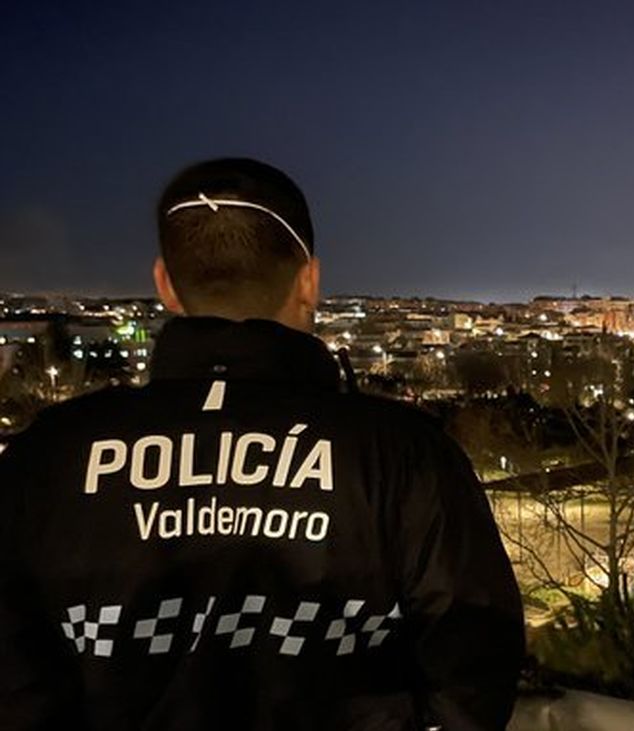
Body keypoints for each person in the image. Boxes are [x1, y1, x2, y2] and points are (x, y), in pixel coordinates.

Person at [0, 158, 524, 730]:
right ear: (309, 281)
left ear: (165, 284)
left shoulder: (47, 458)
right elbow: (474, 657)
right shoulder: (403, 454)